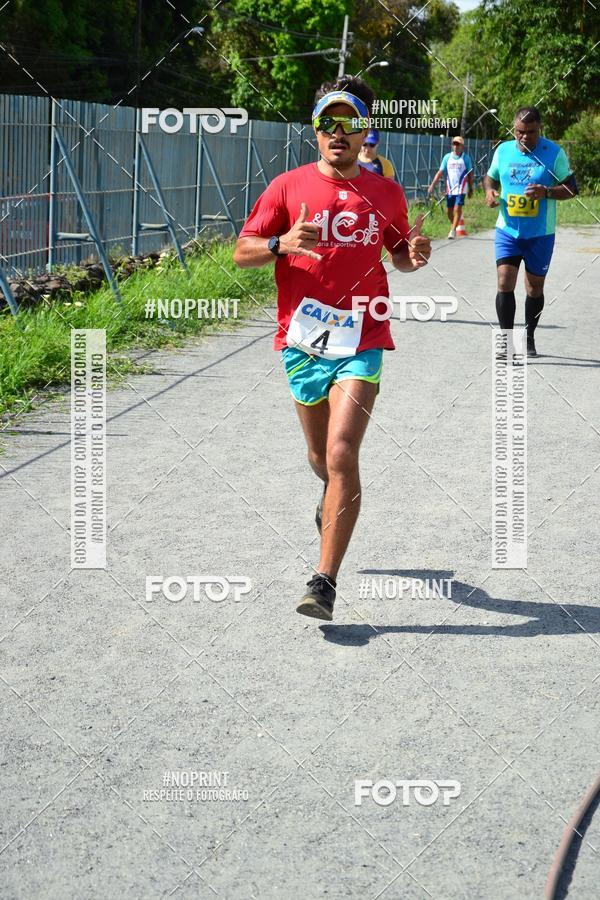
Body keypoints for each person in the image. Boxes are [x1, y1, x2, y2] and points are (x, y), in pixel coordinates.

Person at [233, 75, 431, 621]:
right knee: (321, 459)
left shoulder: (386, 192)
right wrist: (280, 243)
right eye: (327, 122)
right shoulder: (287, 186)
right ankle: (330, 503)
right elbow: (242, 251)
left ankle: (323, 581)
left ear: (364, 130)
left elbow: (402, 258)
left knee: (343, 453)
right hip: (302, 340)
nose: (338, 132)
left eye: (349, 122)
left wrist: (415, 252)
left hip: (363, 336)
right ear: (315, 130)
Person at [484, 106, 578, 357]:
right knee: (504, 281)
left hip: (540, 234)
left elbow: (572, 189)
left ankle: (529, 336)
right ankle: (505, 341)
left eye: (530, 132)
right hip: (508, 231)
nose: (524, 137)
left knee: (534, 288)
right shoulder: (503, 151)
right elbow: (490, 177)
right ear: (514, 128)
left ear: (540, 129)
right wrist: (489, 192)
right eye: (519, 131)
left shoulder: (553, 153)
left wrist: (546, 192)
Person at [427, 136, 474, 239]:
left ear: (462, 146)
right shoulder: (447, 157)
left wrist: (471, 188)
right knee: (449, 211)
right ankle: (455, 225)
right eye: (454, 144)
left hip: (461, 188)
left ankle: (452, 230)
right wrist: (432, 185)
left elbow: (470, 174)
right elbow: (440, 172)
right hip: (450, 188)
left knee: (457, 209)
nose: (455, 146)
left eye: (458, 144)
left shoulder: (465, 158)